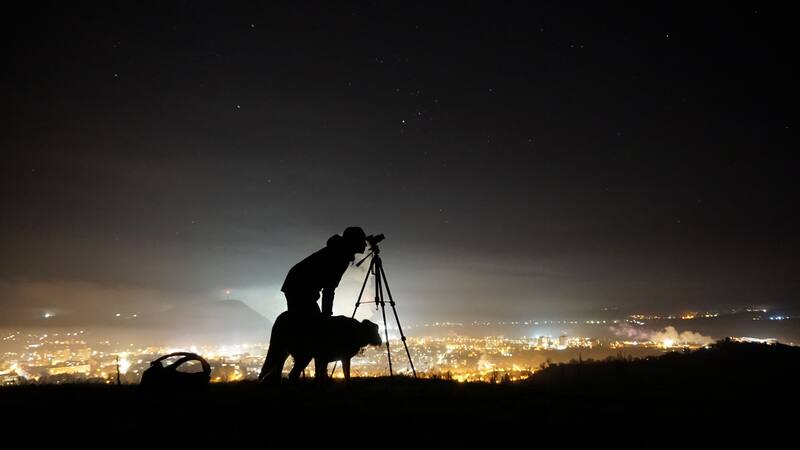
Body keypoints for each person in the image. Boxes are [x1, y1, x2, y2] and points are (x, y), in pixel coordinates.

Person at [281, 226, 367, 322]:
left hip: (296, 284)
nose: (365, 245)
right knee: (309, 323)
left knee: (306, 322)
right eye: (362, 241)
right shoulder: (340, 256)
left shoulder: (339, 251)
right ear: (354, 241)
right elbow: (329, 289)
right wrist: (327, 316)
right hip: (298, 286)